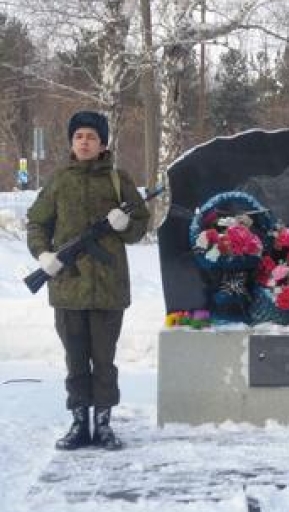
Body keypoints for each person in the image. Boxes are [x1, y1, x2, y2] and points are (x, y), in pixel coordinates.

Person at [26, 111, 150, 451]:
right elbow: (36, 223)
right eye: (79, 136)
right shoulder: (58, 181)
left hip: (109, 288)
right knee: (76, 360)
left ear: (103, 143)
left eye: (91, 137)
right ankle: (80, 423)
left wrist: (126, 224)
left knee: (104, 361)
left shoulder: (117, 180)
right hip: (68, 287)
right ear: (71, 142)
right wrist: (43, 257)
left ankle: (104, 424)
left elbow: (141, 223)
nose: (84, 141)